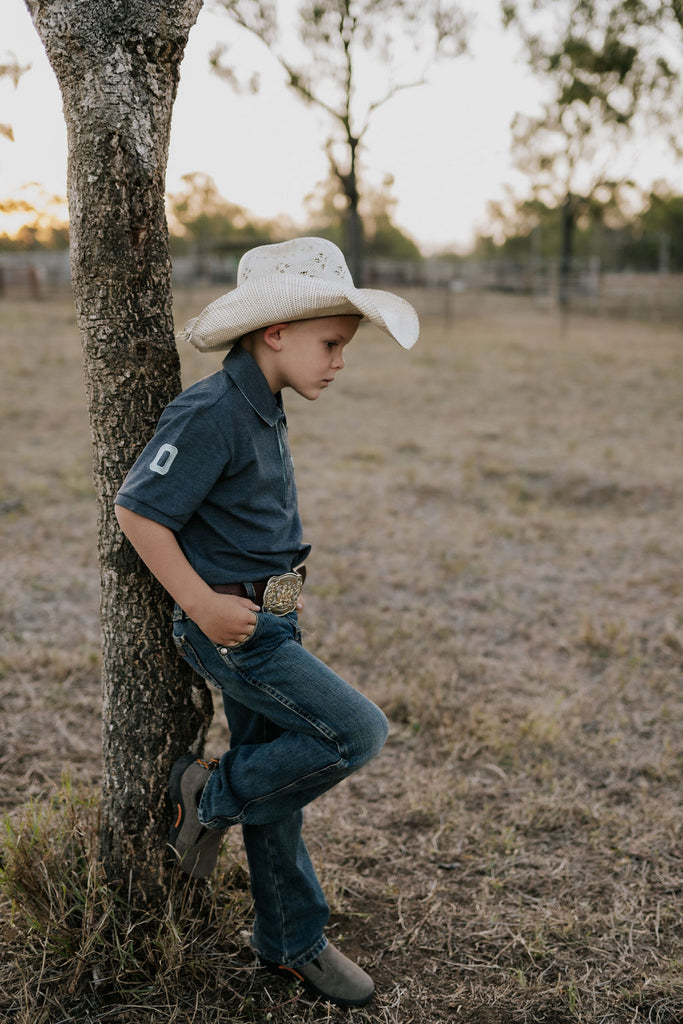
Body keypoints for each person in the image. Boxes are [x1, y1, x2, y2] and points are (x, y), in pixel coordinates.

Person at [114, 237, 419, 1008]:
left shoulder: (265, 401)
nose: (339, 363)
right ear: (274, 333)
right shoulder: (212, 408)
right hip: (229, 626)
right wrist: (203, 605)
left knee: (278, 783)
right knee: (356, 732)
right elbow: (137, 510)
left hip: (268, 616)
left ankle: (289, 939)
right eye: (331, 345)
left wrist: (281, 591)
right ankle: (210, 795)